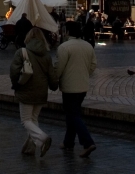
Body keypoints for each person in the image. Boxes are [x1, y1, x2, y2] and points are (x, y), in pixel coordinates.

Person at [10, 27, 59, 157]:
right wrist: (54, 86)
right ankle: (31, 148)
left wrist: (16, 85)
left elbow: (14, 72)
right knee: (33, 119)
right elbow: (51, 75)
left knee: (25, 120)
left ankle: (42, 138)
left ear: (28, 38)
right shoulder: (46, 55)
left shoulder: (22, 52)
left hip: (26, 90)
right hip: (41, 91)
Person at [54, 20, 97, 157]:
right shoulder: (87, 46)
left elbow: (59, 67)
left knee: (73, 115)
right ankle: (68, 142)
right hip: (82, 85)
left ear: (67, 31)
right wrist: (85, 74)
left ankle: (87, 142)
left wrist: (55, 79)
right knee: (72, 113)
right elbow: (93, 64)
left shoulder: (64, 47)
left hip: (69, 86)